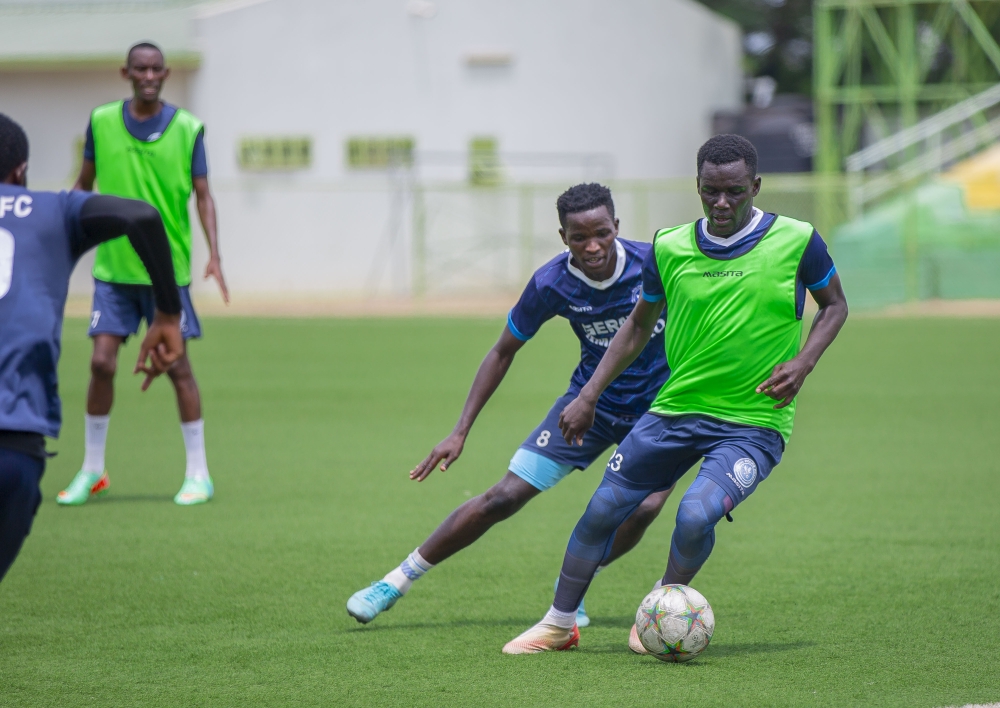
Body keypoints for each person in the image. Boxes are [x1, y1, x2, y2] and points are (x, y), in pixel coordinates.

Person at [503, 135, 849, 655]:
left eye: (735, 191)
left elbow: (835, 305)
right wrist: (591, 392)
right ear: (698, 187)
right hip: (673, 410)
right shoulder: (669, 246)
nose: (722, 204)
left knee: (692, 514)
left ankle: (658, 616)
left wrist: (804, 362)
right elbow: (637, 328)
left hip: (754, 421)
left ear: (755, 186)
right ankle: (558, 624)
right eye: (711, 192)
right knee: (602, 511)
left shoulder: (798, 240)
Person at [346, 183, 675, 626]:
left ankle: (573, 589)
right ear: (563, 237)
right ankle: (394, 581)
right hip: (585, 410)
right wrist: (460, 430)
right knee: (503, 497)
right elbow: (502, 351)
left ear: (617, 226)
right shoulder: (551, 282)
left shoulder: (656, 265)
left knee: (646, 507)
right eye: (579, 238)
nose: (592, 246)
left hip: (660, 413)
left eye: (601, 232)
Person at [0, 113, 184, 582]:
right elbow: (142, 215)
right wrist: (166, 314)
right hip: (14, 442)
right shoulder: (51, 210)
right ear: (21, 171)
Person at [58, 41, 228, 507]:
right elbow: (82, 187)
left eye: (156, 68)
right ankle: (93, 469)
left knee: (179, 369)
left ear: (167, 73)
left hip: (166, 275)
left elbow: (204, 195)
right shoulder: (101, 122)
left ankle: (199, 473)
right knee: (100, 363)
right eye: (140, 68)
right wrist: (60, 236)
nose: (148, 75)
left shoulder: (189, 129)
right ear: (125, 72)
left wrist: (214, 253)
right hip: (112, 270)